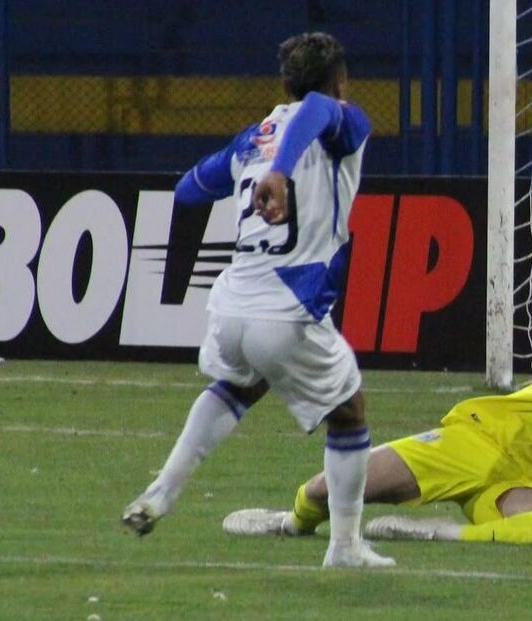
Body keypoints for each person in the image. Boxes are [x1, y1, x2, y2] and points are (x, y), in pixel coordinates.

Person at [121, 32, 395, 568]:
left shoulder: (254, 137)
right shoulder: (343, 119)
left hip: (232, 306)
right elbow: (319, 108)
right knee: (350, 412)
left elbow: (186, 190)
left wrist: (255, 166)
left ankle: (161, 492)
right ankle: (344, 547)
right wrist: (281, 171)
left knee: (237, 386)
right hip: (285, 308)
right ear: (342, 83)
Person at [222, 309, 532, 545]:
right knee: (329, 489)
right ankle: (289, 523)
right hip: (475, 442)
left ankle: (437, 534)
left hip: (524, 490)